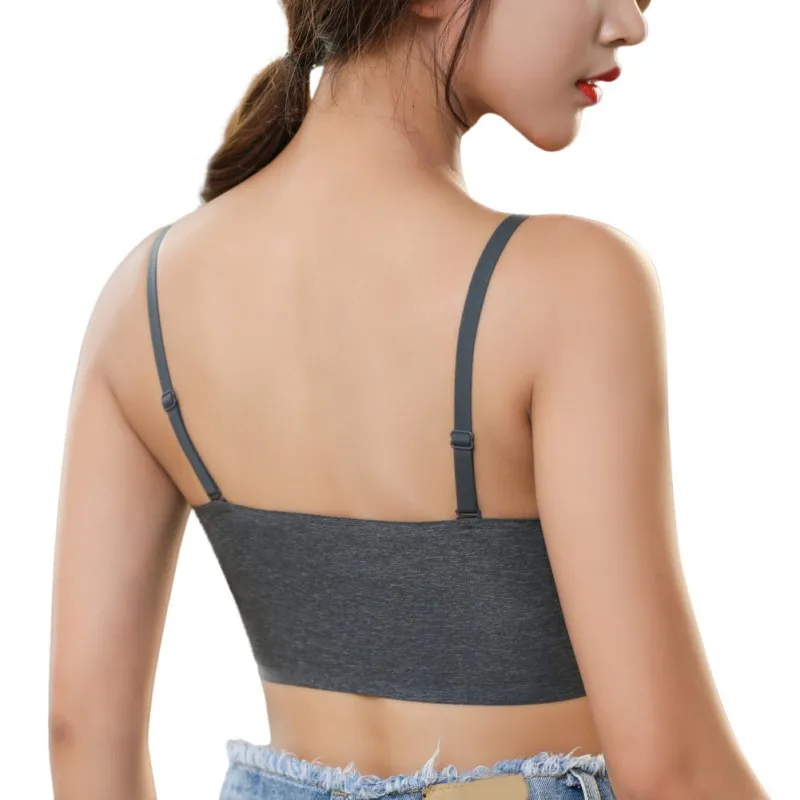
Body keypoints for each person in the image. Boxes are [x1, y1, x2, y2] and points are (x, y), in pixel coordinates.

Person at [48, 0, 771, 797]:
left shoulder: (143, 299)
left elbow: (80, 732)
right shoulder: (569, 286)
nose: (630, 24)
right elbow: (671, 772)